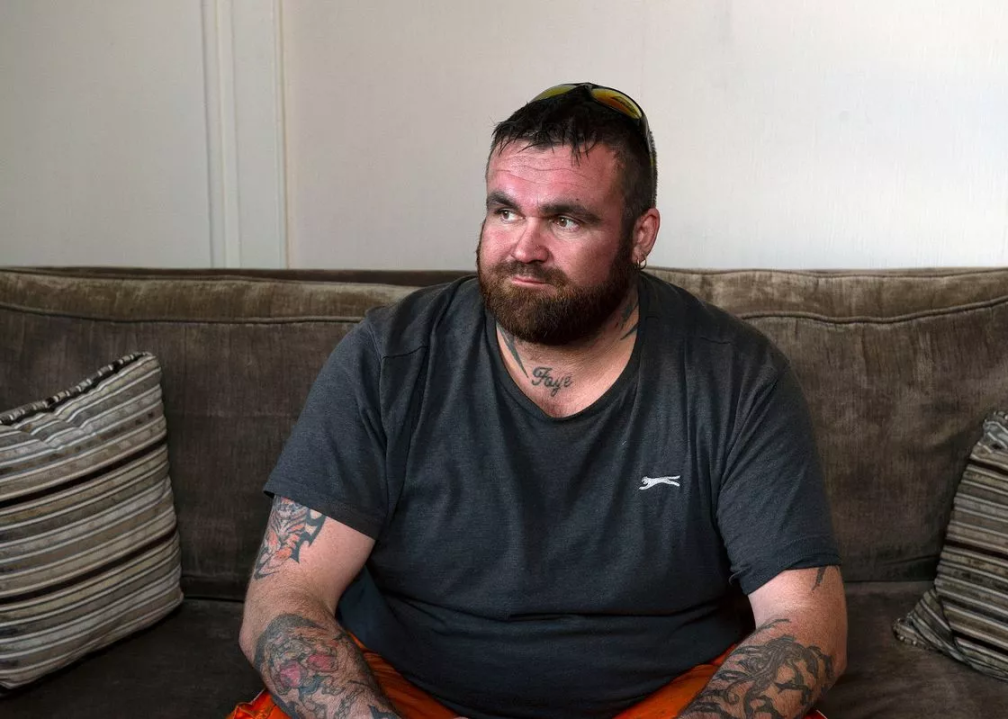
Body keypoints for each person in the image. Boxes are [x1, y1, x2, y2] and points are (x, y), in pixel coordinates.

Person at [234, 82, 847, 719]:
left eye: (565, 219)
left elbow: (807, 622)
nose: (524, 249)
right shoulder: (388, 358)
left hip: (668, 697)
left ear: (640, 236)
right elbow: (285, 597)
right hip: (403, 692)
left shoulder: (737, 376)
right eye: (505, 212)